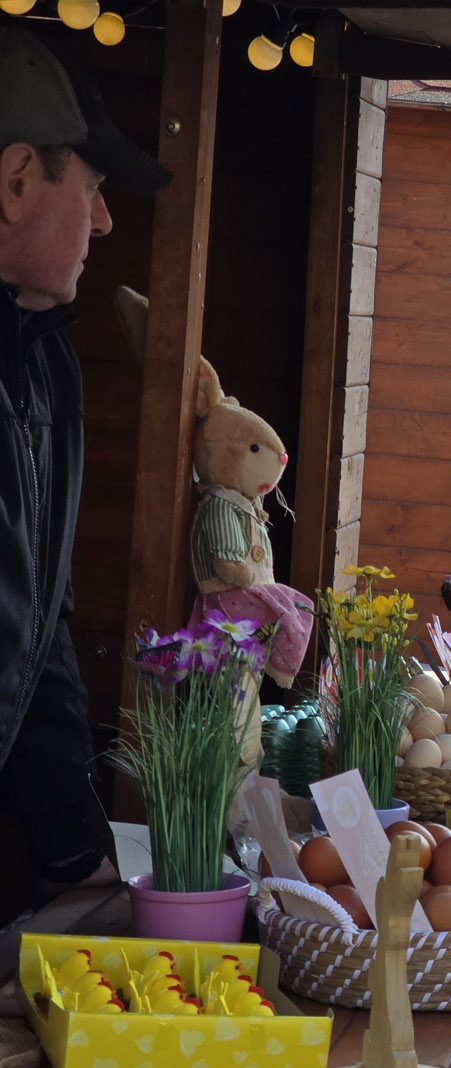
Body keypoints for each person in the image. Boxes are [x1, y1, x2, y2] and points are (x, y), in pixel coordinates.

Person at [0, 30, 173, 920]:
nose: (104, 223)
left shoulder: (43, 361)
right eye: (93, 188)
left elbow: (39, 630)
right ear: (17, 180)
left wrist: (75, 851)